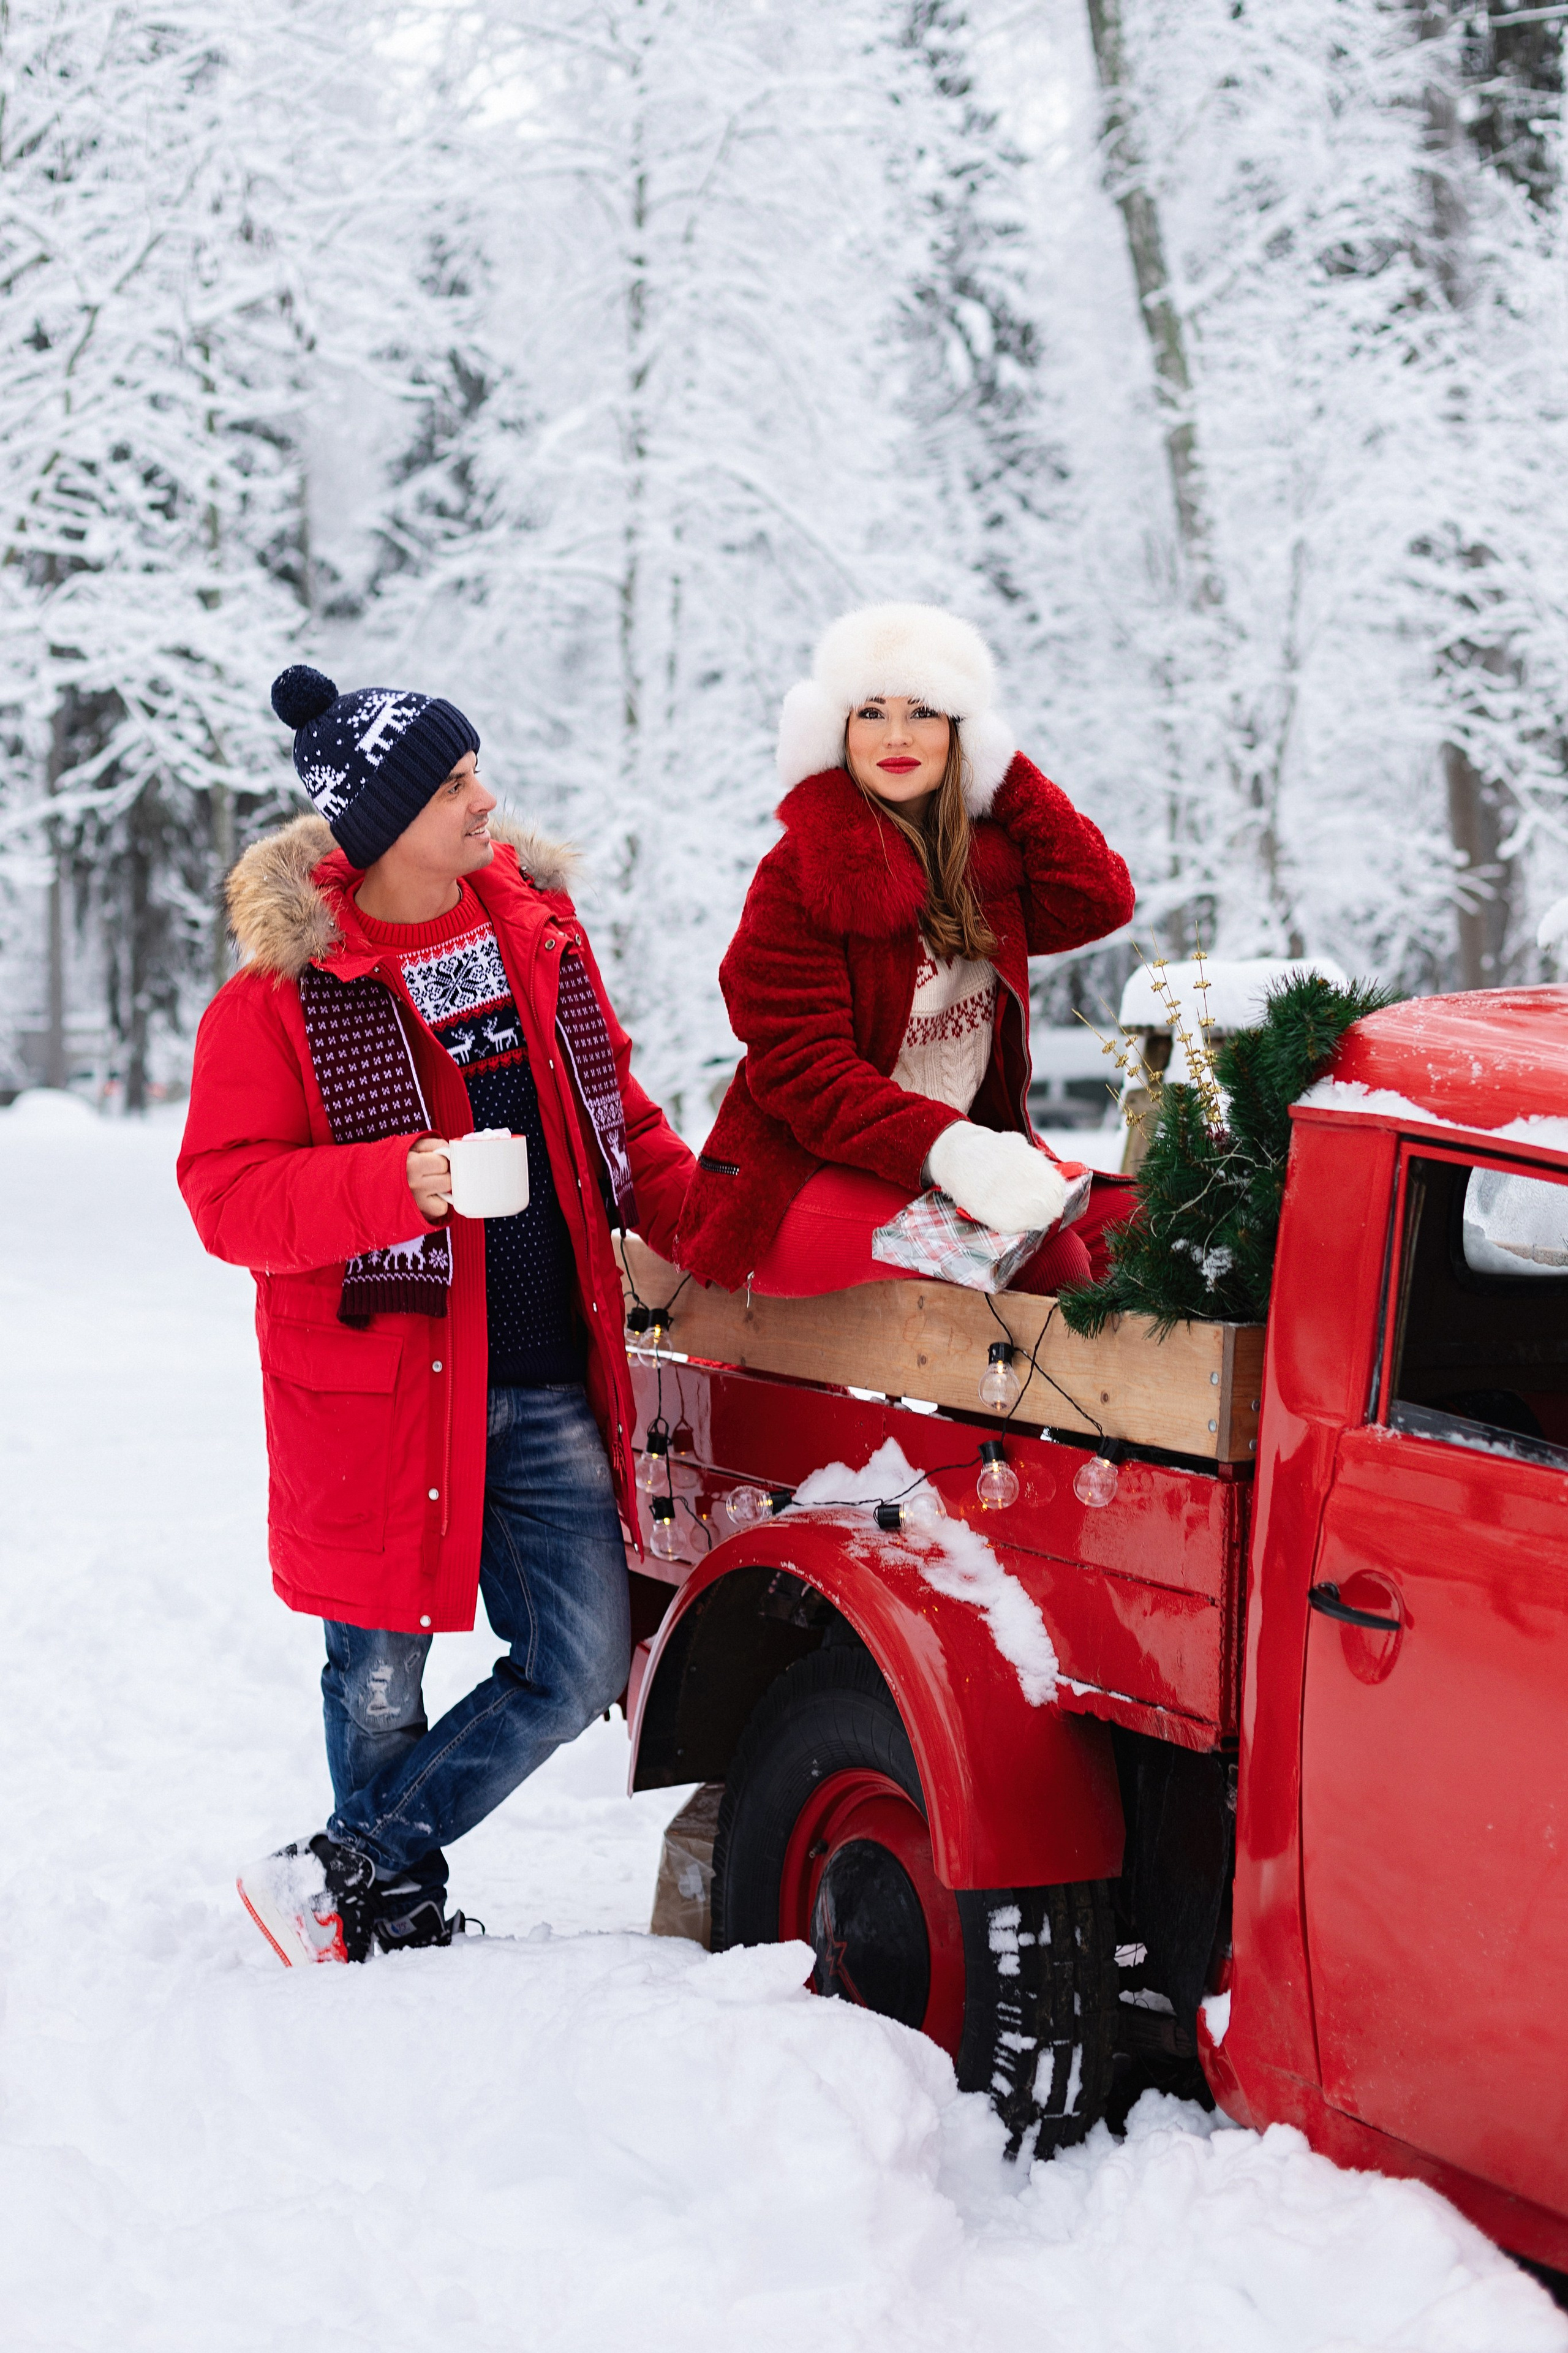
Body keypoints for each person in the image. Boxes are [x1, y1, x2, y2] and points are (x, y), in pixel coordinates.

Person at [178, 665, 692, 1965]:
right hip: (380, 1391)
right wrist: (393, 1180)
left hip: (543, 1375)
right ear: (383, 822)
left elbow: (619, 1123)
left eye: (475, 775)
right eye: (456, 787)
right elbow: (226, 1199)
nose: (486, 803)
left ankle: (343, 1865)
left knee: (580, 1667)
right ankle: (386, 1915)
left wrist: (719, 1226)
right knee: (377, 1677)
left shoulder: (538, 935)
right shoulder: (279, 1000)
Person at [677, 603, 1135, 1296]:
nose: (896, 735)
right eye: (870, 712)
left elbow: (1098, 896)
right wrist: (950, 1148)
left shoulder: (986, 867)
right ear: (836, 730)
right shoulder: (802, 871)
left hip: (960, 1168)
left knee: (1142, 1226)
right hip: (797, 1183)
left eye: (923, 712)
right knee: (1047, 1263)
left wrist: (1002, 774)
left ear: (961, 733)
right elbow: (805, 1074)